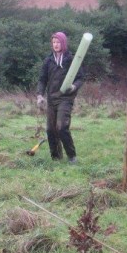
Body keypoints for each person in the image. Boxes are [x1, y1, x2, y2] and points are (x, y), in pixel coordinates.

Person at [36, 31, 85, 163]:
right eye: (53, 42)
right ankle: (56, 158)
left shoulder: (71, 59)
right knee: (50, 130)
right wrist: (40, 95)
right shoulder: (48, 60)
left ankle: (72, 156)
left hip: (66, 98)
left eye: (58, 42)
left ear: (63, 43)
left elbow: (80, 78)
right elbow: (42, 80)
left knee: (62, 127)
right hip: (51, 99)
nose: (55, 45)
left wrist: (74, 87)